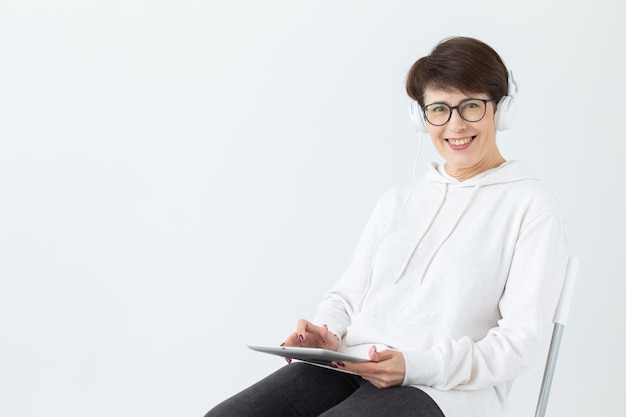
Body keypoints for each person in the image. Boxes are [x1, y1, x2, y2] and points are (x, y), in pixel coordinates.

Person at [204, 36, 569, 417]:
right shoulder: (398, 202)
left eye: (472, 106)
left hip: (445, 389)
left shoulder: (532, 207)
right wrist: (326, 333)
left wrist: (415, 365)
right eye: (439, 109)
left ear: (501, 110)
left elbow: (518, 342)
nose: (455, 124)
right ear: (421, 118)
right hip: (351, 363)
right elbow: (346, 296)